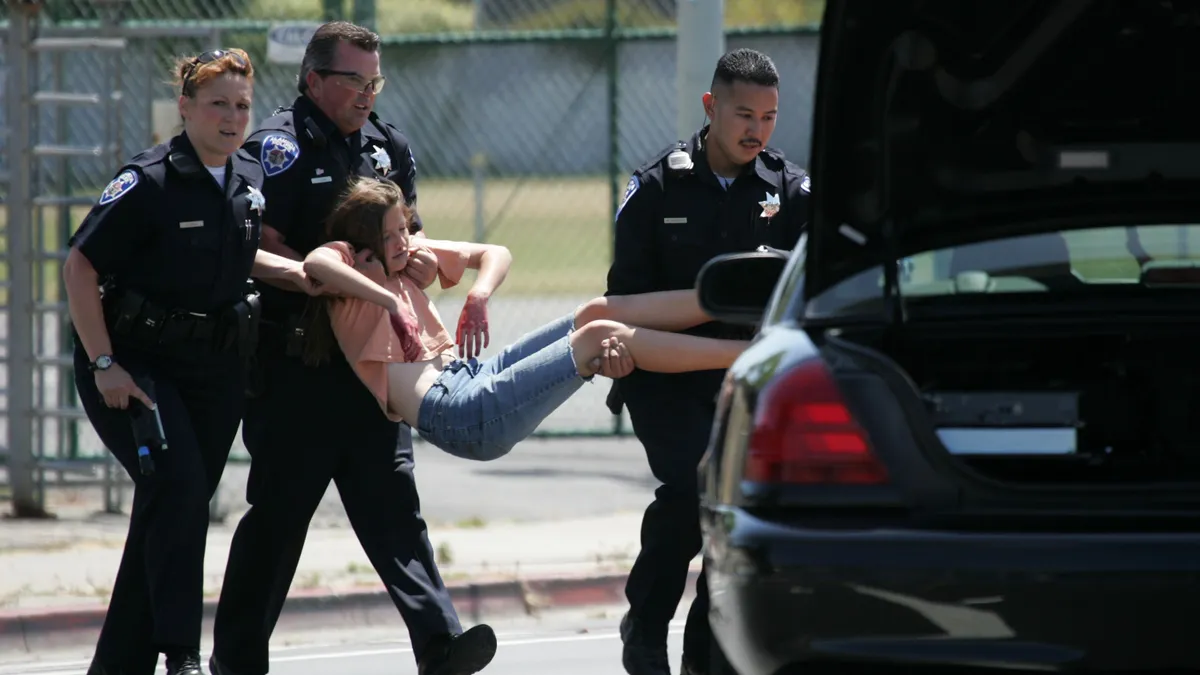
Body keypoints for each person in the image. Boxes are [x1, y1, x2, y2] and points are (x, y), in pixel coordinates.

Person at [208, 21, 497, 675]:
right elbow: (260, 241)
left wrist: (415, 264)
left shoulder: (386, 147)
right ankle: (237, 659)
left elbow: (407, 236)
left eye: (375, 81)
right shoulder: (278, 147)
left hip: (374, 363)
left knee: (394, 504)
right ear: (314, 80)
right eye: (354, 81)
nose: (368, 94)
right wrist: (342, 276)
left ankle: (440, 644)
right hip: (297, 368)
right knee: (280, 517)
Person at [65, 49, 310, 675]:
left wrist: (309, 276)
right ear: (185, 107)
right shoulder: (148, 181)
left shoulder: (249, 175)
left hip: (214, 370)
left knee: (168, 506)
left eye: (242, 106)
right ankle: (180, 654)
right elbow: (80, 266)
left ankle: (117, 664)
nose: (232, 118)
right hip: (134, 366)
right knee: (178, 492)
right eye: (218, 105)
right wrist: (103, 366)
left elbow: (240, 255)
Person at [606, 48, 812, 675]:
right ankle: (645, 626)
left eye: (770, 117)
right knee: (696, 487)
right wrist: (616, 346)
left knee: (736, 507)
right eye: (744, 114)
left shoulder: (794, 193)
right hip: (667, 378)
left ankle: (704, 644)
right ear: (710, 106)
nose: (757, 130)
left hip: (746, 381)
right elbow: (624, 300)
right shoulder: (655, 188)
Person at [298, 178, 746, 461]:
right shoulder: (351, 264)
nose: (402, 241)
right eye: (389, 233)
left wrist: (478, 293)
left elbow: (497, 253)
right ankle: (748, 354)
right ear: (364, 237)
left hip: (471, 376)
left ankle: (738, 300)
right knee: (598, 337)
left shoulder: (408, 253)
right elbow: (316, 266)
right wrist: (387, 298)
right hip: (458, 413)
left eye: (404, 229)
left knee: (595, 312)